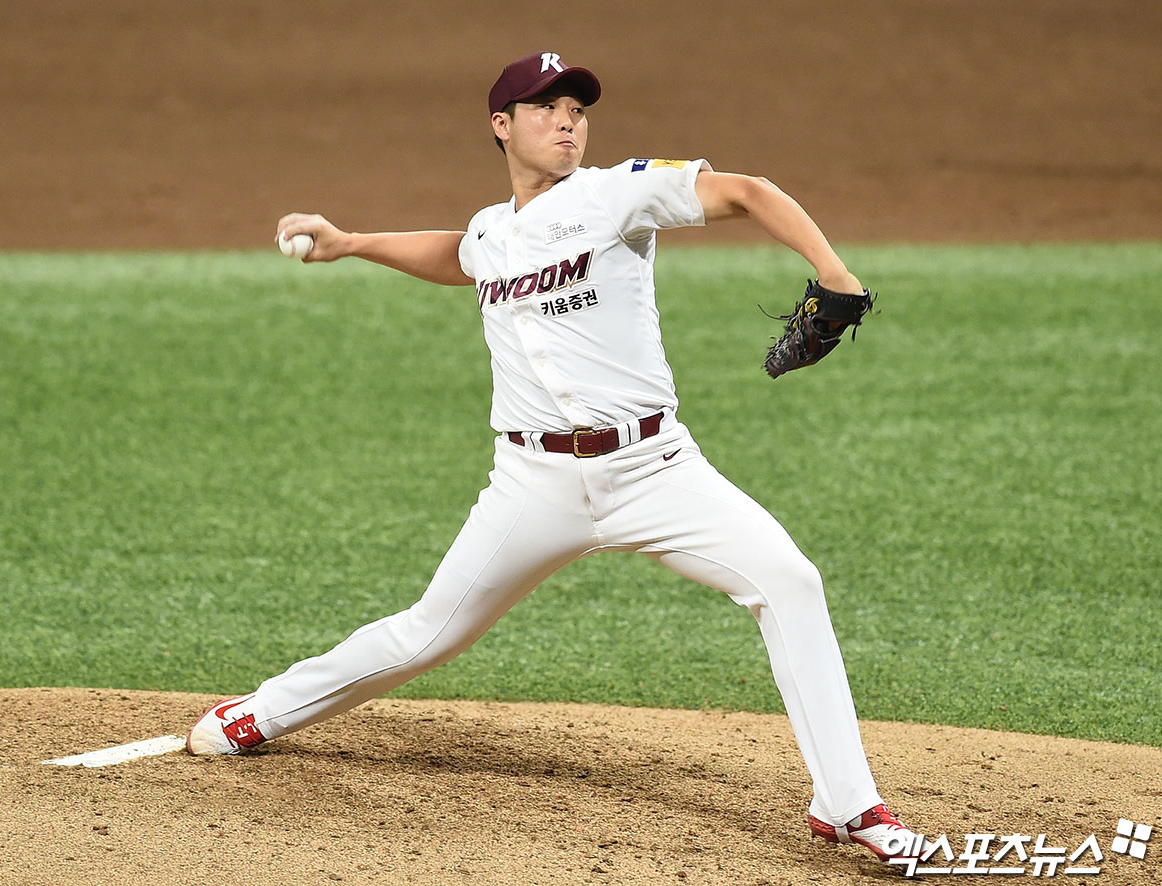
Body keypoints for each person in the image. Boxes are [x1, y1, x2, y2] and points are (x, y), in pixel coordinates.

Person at [186, 51, 923, 863]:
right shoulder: (491, 231)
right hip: (532, 485)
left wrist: (833, 272)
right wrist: (352, 242)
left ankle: (848, 805)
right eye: (546, 108)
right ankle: (260, 712)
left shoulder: (616, 193)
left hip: (654, 470)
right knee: (428, 635)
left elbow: (749, 192)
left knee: (790, 581)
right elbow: (461, 257)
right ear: (502, 126)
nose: (567, 121)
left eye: (577, 109)